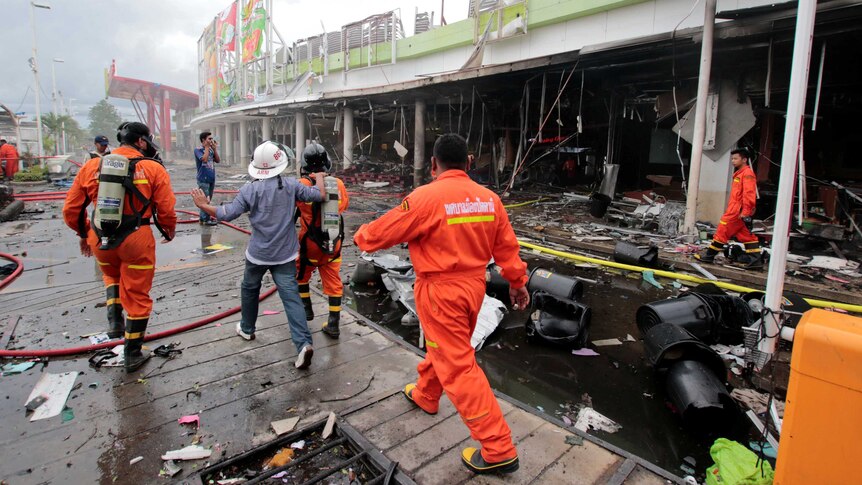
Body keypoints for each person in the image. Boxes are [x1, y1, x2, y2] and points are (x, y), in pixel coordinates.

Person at [354, 133, 529, 475]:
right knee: (449, 348)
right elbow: (507, 250)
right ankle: (426, 393)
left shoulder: (425, 198)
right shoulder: (489, 200)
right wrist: (518, 284)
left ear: (433, 164)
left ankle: (498, 448)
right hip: (474, 288)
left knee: (458, 365)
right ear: (469, 162)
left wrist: (358, 235)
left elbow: (379, 234)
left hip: (440, 291)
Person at [192, 140, 325, 370]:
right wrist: (320, 176)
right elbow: (319, 195)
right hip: (284, 255)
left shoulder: (249, 190)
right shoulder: (292, 185)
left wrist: (204, 205)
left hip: (257, 255)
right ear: (280, 164)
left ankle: (247, 328)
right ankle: (303, 344)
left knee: (250, 289)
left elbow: (227, 214)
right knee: (291, 297)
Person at [63, 122, 177, 372]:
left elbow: (71, 210)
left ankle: (115, 323)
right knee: (137, 294)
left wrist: (84, 233)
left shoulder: (92, 166)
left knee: (111, 275)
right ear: (141, 142)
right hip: (137, 240)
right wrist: (169, 230)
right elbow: (166, 209)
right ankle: (133, 353)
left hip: (100, 238)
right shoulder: (153, 168)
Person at [295, 142, 350, 339]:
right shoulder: (339, 185)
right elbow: (342, 207)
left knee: (300, 275)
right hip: (332, 244)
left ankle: (307, 310)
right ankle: (333, 324)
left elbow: (295, 207)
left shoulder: (301, 185)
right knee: (334, 283)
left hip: (308, 246)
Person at [694, 148, 762, 269]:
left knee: (721, 231)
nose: (733, 161)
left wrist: (745, 211)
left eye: (735, 158)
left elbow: (749, 194)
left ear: (744, 159)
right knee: (746, 236)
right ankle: (756, 261)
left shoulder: (747, 174)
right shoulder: (741, 173)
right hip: (736, 210)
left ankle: (709, 256)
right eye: (732, 159)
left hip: (736, 211)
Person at [194, 131, 221, 225]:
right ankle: (204, 219)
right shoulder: (198, 149)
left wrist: (214, 149)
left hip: (211, 178)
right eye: (209, 139)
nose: (211, 140)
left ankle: (206, 217)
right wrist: (206, 147)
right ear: (203, 140)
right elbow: (204, 159)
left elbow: (217, 160)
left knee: (209, 200)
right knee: (204, 200)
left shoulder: (211, 150)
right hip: (203, 178)